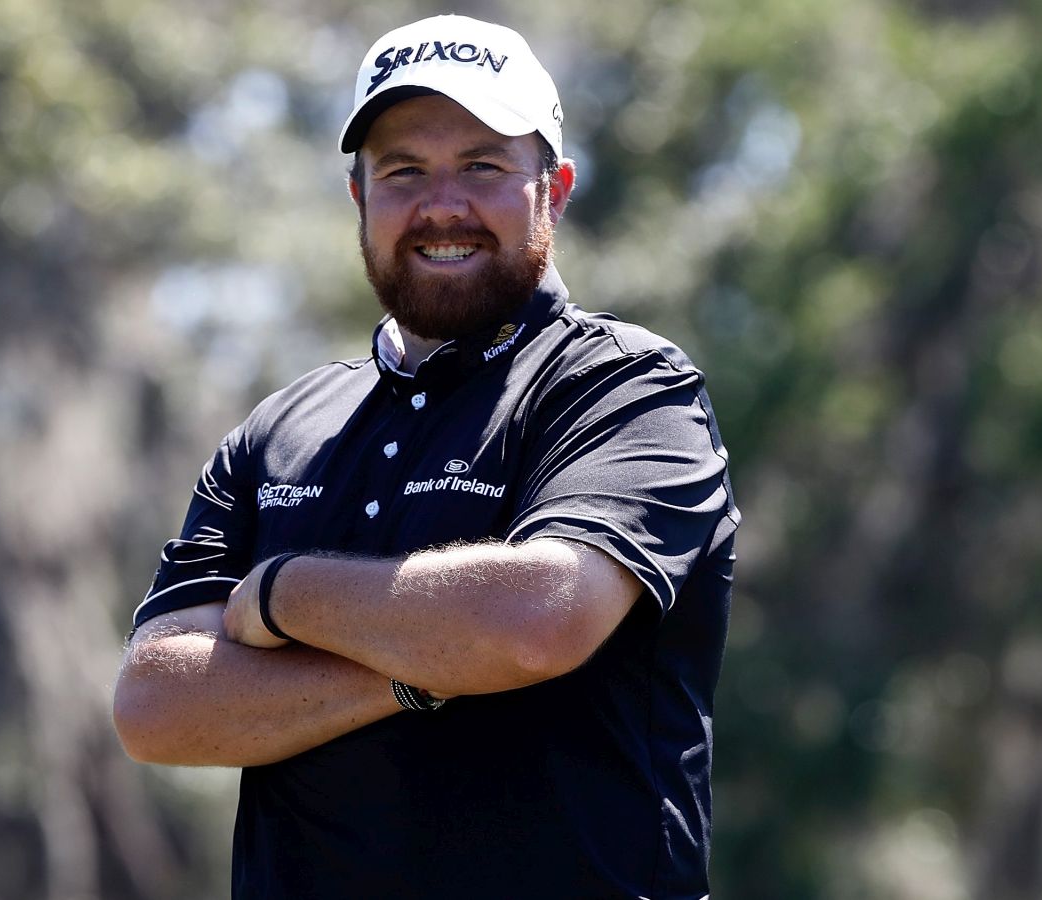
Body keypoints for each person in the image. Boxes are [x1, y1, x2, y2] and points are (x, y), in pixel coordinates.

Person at [112, 14, 740, 899]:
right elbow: (155, 708)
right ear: (361, 198)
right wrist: (422, 673)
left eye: (482, 166)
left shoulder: (629, 390)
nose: (442, 205)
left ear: (552, 191)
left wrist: (280, 594)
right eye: (404, 171)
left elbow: (536, 620)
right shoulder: (277, 430)